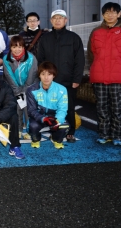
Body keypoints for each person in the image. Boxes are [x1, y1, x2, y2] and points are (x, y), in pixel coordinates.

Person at [87, 2, 121, 146]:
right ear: (103, 15)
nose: (110, 15)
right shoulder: (96, 32)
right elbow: (91, 54)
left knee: (118, 110)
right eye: (106, 12)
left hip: (120, 77)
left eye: (113, 12)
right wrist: (94, 70)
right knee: (102, 109)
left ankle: (118, 135)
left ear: (119, 14)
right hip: (99, 77)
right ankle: (103, 134)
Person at [37, 9, 85, 143]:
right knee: (51, 107)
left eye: (61, 18)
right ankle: (55, 130)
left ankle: (71, 131)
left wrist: (77, 79)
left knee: (68, 107)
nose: (58, 20)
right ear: (51, 21)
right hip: (50, 80)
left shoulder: (73, 37)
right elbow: (41, 60)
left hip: (68, 80)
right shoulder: (45, 38)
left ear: (66, 20)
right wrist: (43, 78)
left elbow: (79, 60)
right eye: (55, 18)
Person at [26, 62, 70, 149]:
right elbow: (31, 110)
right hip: (39, 116)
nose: (46, 77)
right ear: (39, 75)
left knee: (65, 125)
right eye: (43, 74)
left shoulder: (62, 89)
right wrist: (43, 119)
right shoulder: (31, 89)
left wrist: (57, 121)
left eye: (49, 74)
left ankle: (56, 139)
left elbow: (63, 109)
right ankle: (36, 139)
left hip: (54, 116)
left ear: (54, 75)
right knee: (33, 126)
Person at [3, 35, 39, 139]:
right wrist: (17, 90)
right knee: (17, 108)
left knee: (28, 109)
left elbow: (32, 74)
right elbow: (8, 75)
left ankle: (29, 130)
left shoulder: (31, 57)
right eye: (14, 47)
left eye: (20, 46)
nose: (17, 49)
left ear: (23, 47)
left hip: (30, 87)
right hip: (15, 88)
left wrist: (25, 90)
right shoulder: (6, 58)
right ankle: (18, 129)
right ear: (10, 47)